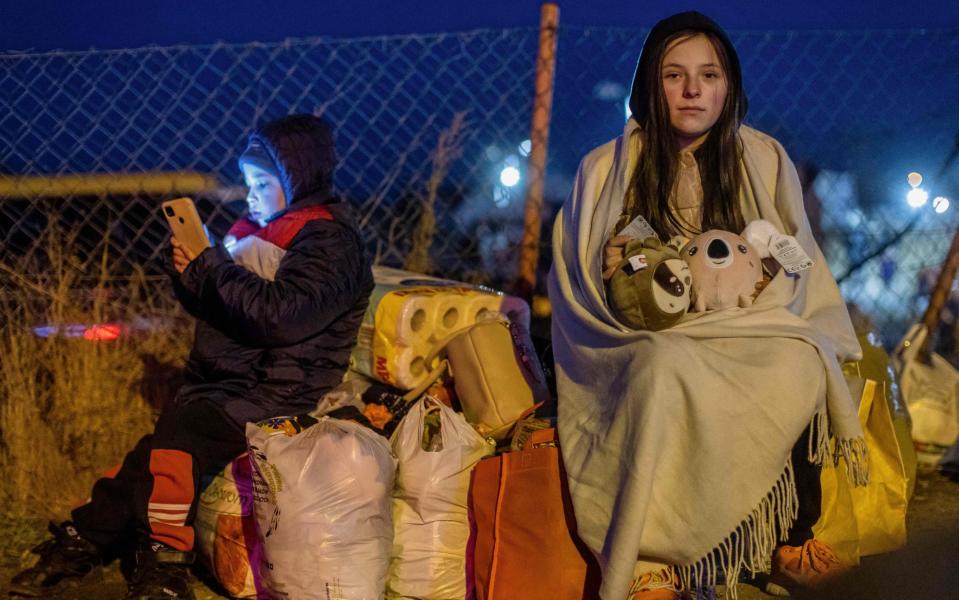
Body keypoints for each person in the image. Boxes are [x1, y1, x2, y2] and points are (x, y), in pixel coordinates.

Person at [548, 12, 867, 599]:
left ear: (729, 86)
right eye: (675, 75)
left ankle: (786, 539)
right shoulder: (603, 169)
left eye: (708, 75)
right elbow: (576, 283)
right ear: (651, 84)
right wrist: (610, 271)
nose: (693, 90)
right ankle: (653, 562)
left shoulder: (763, 157)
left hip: (745, 325)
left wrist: (751, 297)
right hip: (645, 334)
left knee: (798, 361)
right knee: (662, 365)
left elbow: (798, 263)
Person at [9, 113, 375, 599]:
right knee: (156, 449)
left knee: (181, 437)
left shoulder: (329, 241)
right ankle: (88, 536)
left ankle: (164, 561)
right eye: (248, 182)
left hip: (283, 388)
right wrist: (190, 271)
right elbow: (219, 297)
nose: (251, 194)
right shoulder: (258, 230)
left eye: (262, 182)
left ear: (298, 178)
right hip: (237, 382)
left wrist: (211, 269)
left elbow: (281, 316)